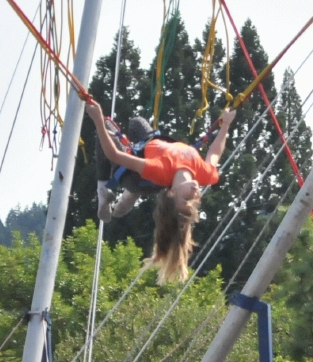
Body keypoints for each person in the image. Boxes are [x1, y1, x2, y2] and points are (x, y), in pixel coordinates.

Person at [85, 100, 235, 282]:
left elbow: (115, 156)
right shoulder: (204, 174)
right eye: (194, 199)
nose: (196, 192)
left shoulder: (161, 170)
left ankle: (103, 190)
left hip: (135, 179)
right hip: (147, 148)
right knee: (136, 122)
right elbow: (215, 153)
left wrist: (98, 120)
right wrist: (226, 124)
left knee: (105, 134)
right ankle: (131, 195)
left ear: (172, 194)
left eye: (186, 198)